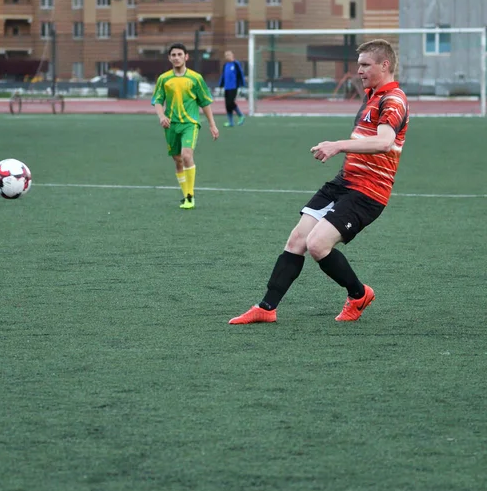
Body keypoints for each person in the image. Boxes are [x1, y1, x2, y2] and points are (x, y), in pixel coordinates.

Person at [229, 39, 409, 324]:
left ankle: (358, 294)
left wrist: (338, 145)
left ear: (385, 65)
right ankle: (266, 307)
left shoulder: (393, 99)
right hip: (345, 182)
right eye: (358, 64)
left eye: (365, 65)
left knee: (317, 245)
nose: (358, 70)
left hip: (369, 191)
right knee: (297, 239)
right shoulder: (371, 94)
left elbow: (386, 142)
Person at [152, 43, 220, 210]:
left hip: (190, 123)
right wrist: (161, 116)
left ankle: (190, 196)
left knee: (186, 155)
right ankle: (185, 195)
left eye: (179, 54)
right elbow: (158, 101)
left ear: (186, 57)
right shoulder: (164, 79)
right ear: (169, 58)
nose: (176, 57)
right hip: (171, 125)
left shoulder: (196, 78)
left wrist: (212, 125)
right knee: (177, 160)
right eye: (173, 55)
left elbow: (204, 103)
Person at [219, 50, 246, 127]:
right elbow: (223, 76)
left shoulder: (236, 64)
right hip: (226, 87)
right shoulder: (225, 65)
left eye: (229, 55)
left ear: (232, 55)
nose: (227, 56)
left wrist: (242, 86)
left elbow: (240, 75)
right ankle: (231, 122)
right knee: (227, 105)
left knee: (231, 102)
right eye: (226, 55)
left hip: (234, 87)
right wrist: (221, 85)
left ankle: (241, 115)